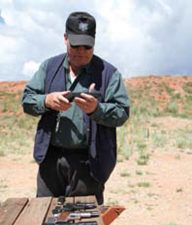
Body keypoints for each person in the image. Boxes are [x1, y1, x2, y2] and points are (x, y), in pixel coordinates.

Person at [22, 11, 129, 205]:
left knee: (83, 222)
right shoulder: (49, 67)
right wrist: (46, 101)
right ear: (65, 38)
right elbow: (27, 100)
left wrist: (97, 109)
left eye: (87, 46)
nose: (81, 50)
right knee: (45, 216)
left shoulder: (109, 74)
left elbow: (122, 113)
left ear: (94, 42)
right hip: (50, 159)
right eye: (75, 44)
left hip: (88, 162)